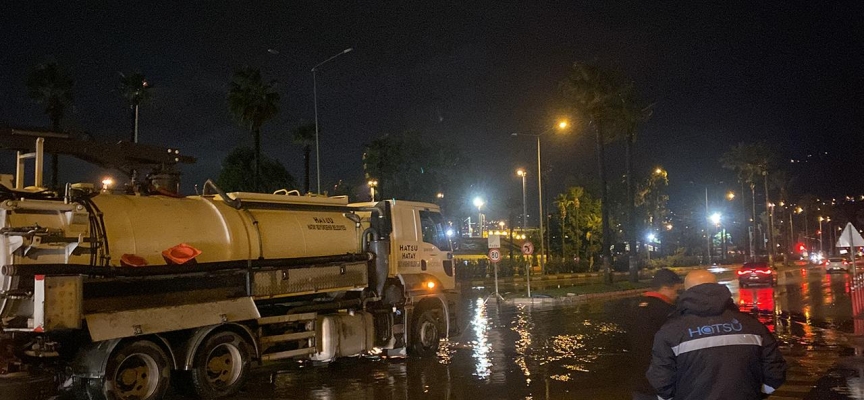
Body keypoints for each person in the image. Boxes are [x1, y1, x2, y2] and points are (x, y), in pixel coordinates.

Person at [646, 270, 786, 400]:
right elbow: (774, 370)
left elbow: (661, 379)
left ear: (687, 290)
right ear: (717, 286)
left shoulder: (671, 331)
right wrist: (757, 392)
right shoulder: (751, 325)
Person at [625, 268, 683, 400]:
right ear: (666, 288)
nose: (677, 295)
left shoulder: (635, 308)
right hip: (662, 384)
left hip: (639, 382)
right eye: (676, 290)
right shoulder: (669, 312)